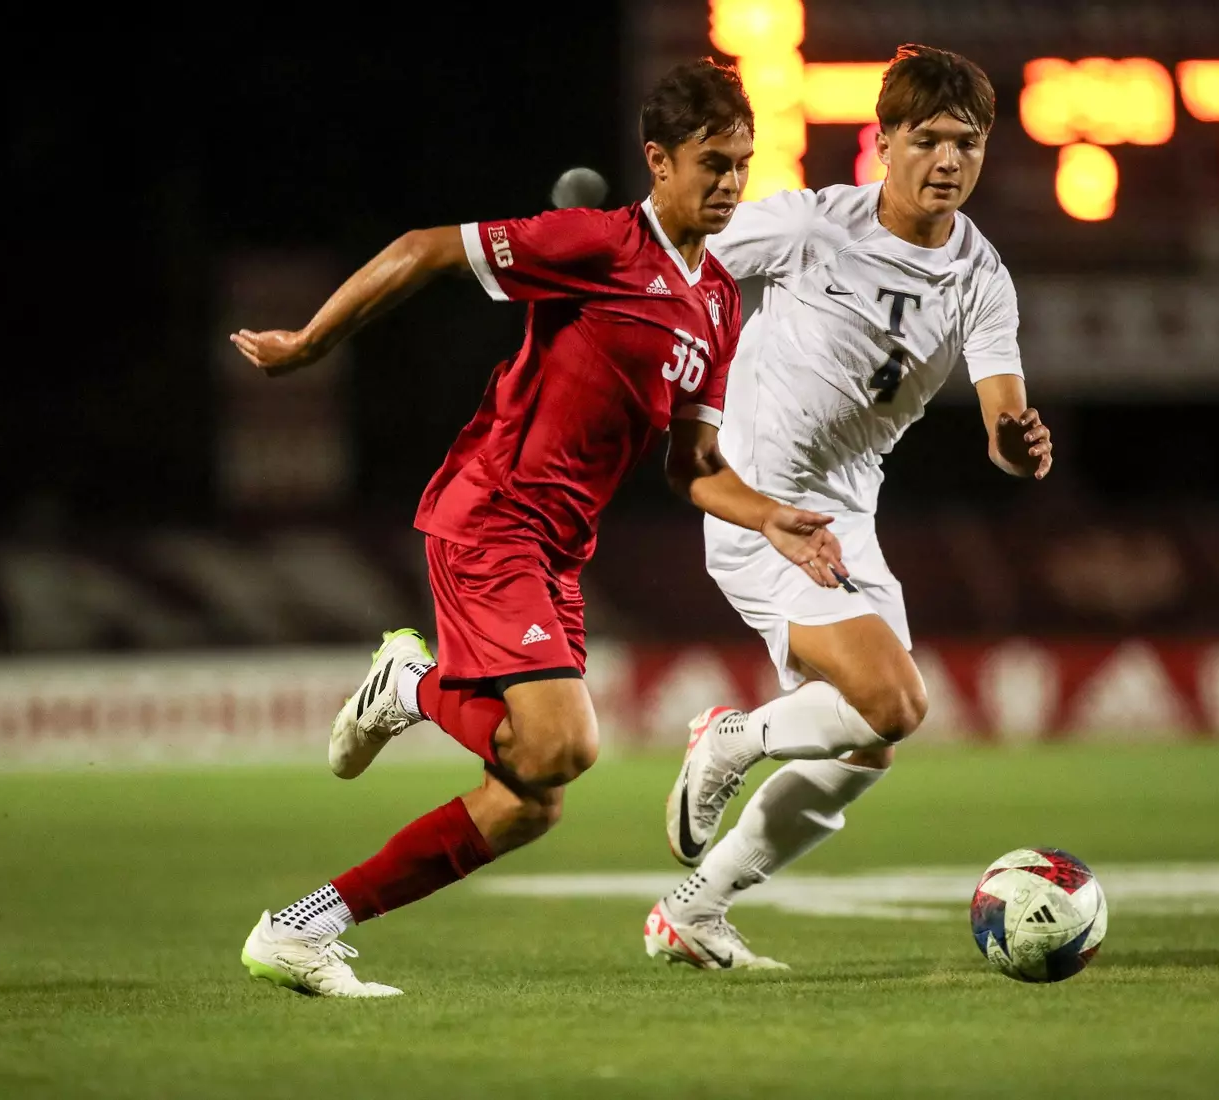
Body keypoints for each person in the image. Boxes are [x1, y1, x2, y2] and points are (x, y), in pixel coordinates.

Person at [226, 58, 851, 997]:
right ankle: (412, 678)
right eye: (712, 162)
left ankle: (301, 930)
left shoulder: (719, 303)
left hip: (557, 549)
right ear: (659, 160)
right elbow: (423, 246)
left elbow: (692, 467)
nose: (730, 183)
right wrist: (311, 344)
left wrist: (774, 521)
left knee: (531, 804)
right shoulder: (596, 245)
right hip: (491, 513)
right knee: (565, 745)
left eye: (742, 164)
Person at [644, 44, 1055, 970]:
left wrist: (1018, 446)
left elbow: (1001, 410)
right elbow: (681, 250)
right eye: (929, 140)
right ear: (883, 142)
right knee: (894, 700)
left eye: (968, 144)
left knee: (866, 748)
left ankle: (695, 911)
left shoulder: (982, 277)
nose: (949, 162)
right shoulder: (813, 227)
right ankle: (732, 737)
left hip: (848, 519)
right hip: (761, 512)